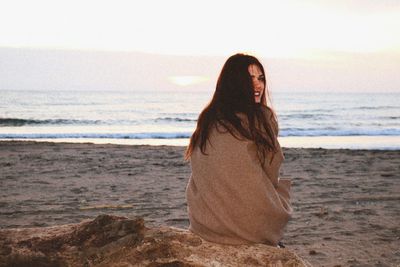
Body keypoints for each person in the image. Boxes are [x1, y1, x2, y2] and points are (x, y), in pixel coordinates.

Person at [185, 53, 292, 246]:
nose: (258, 85)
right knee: (279, 195)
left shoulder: (208, 118)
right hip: (250, 227)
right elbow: (271, 171)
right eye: (249, 79)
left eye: (261, 79)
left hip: (205, 225)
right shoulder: (261, 118)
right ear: (235, 84)